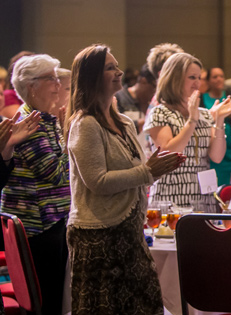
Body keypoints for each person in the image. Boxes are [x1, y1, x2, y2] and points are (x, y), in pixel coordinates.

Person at [65, 44, 184, 314]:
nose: (119, 72)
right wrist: (148, 172)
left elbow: (137, 173)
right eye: (110, 68)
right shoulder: (85, 124)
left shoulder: (125, 123)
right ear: (91, 76)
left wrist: (156, 170)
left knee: (147, 305)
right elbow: (97, 181)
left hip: (130, 233)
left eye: (117, 66)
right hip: (98, 236)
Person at [1, 54, 72, 314]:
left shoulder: (46, 119)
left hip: (53, 222)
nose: (57, 84)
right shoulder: (29, 124)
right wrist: (69, 141)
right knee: (48, 302)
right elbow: (55, 174)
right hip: (40, 227)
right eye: (50, 79)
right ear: (31, 86)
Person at [144, 52, 231, 211]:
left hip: (202, 198)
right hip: (170, 196)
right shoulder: (160, 112)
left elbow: (216, 156)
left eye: (199, 78)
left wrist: (220, 120)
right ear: (175, 78)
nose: (197, 83)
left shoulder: (203, 113)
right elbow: (168, 153)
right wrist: (192, 121)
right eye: (191, 77)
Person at [200, 67, 231, 186]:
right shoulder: (201, 97)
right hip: (211, 139)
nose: (219, 79)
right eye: (215, 77)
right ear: (208, 80)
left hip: (230, 142)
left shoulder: (230, 95)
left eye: (221, 76)